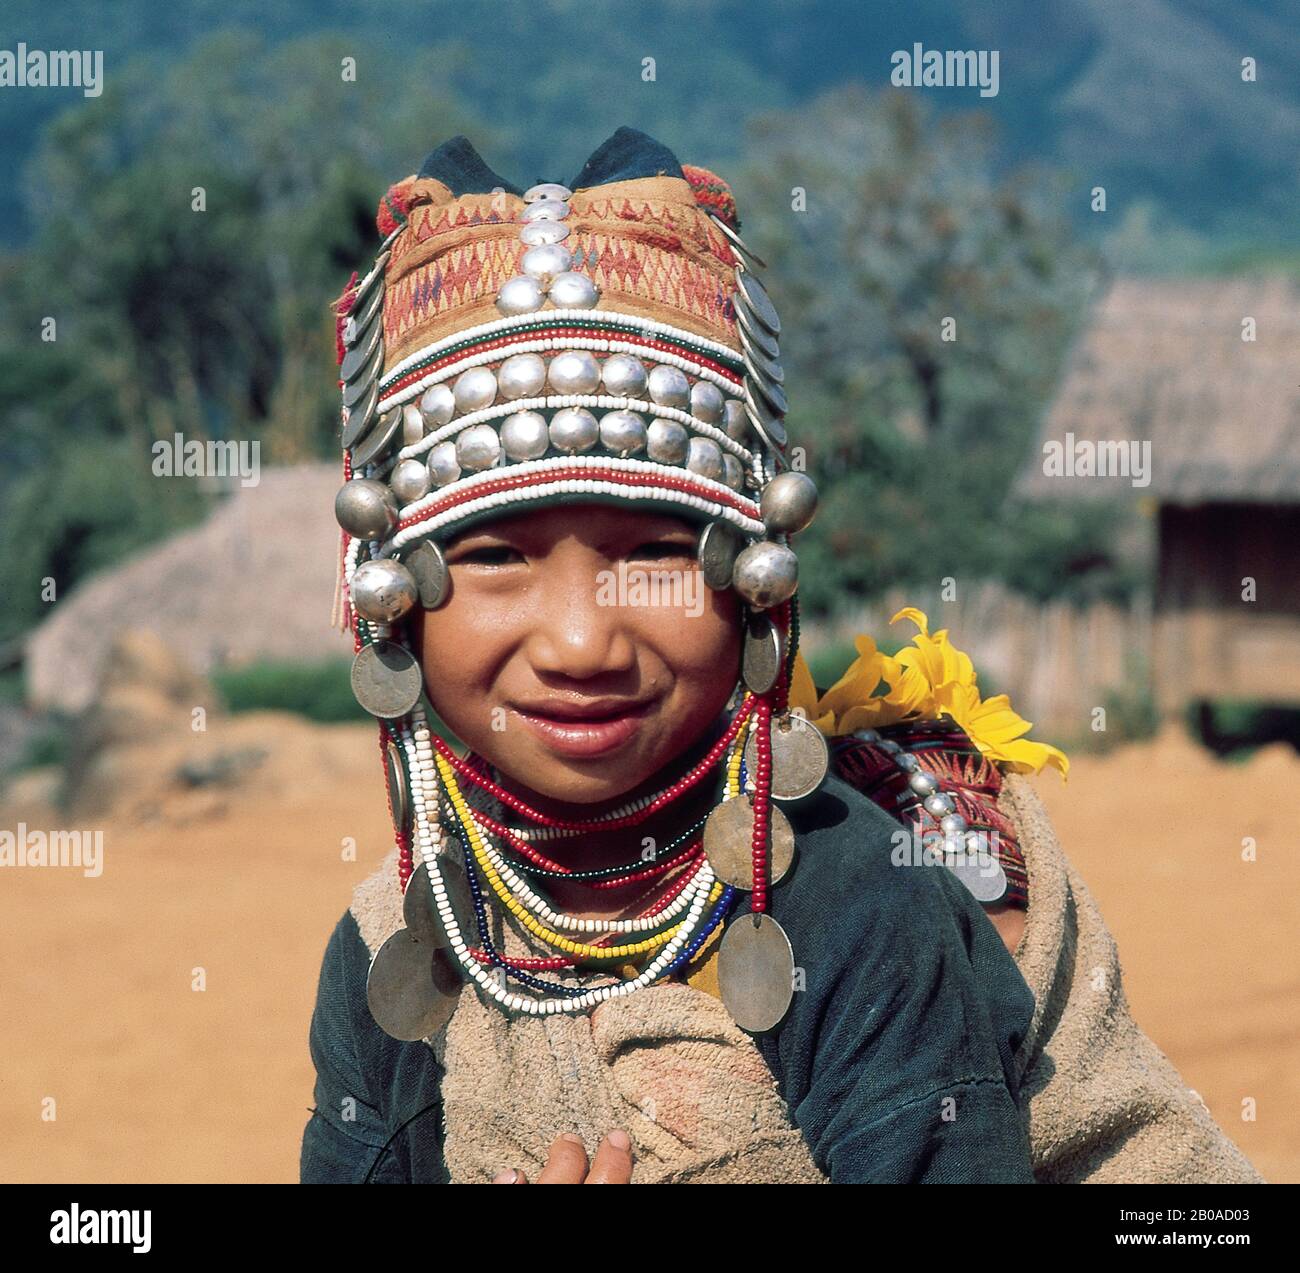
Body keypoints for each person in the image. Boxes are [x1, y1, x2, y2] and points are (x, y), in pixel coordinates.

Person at [300, 126, 1263, 1185]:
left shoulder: (854, 904)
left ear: (753, 580)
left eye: (658, 553)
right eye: (495, 557)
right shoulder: (391, 940)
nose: (582, 640)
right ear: (393, 603)